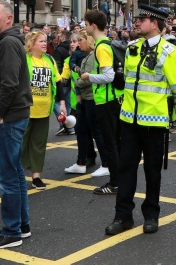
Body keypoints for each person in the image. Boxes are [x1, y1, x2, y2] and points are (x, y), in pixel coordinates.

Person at [104, 4, 176, 235]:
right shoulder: (132, 47)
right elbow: (128, 82)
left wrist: (173, 114)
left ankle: (151, 215)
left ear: (156, 24)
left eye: (143, 19)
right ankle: (123, 217)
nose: (137, 22)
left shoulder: (171, 52)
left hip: (155, 122)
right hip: (129, 120)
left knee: (153, 171)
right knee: (126, 170)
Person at [0, 0, 33, 250]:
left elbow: (10, 83)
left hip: (9, 118)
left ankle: (11, 231)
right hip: (12, 116)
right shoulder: (5, 42)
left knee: (7, 177)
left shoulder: (9, 43)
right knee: (15, 173)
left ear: (9, 19)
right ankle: (22, 225)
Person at [81, 10, 122, 194]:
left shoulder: (101, 46)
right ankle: (120, 180)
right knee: (114, 143)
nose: (84, 27)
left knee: (110, 144)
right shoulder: (105, 43)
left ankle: (115, 183)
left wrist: (89, 76)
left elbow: (108, 76)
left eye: (86, 24)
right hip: (111, 99)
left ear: (93, 26)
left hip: (107, 101)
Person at [22, 31, 66, 190]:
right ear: (31, 44)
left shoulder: (50, 60)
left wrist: (62, 103)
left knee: (39, 145)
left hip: (44, 109)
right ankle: (17, 175)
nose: (44, 44)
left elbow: (58, 82)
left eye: (45, 41)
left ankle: (36, 177)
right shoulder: (24, 59)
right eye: (41, 41)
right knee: (20, 144)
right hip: (25, 110)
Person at [65, 31, 102, 173]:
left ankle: (106, 163)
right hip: (85, 98)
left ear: (89, 40)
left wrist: (78, 82)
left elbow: (87, 77)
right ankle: (83, 161)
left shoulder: (92, 56)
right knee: (82, 130)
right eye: (76, 41)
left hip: (92, 98)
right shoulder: (86, 56)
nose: (78, 43)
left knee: (95, 132)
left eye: (80, 40)